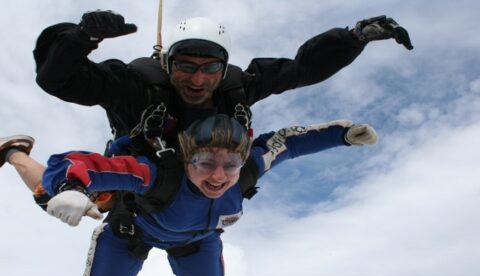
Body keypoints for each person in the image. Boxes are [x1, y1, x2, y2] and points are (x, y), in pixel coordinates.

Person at [0, 115, 378, 276]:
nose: (217, 176)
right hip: (131, 230)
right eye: (203, 162)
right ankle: (13, 152)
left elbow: (288, 143)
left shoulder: (249, 169)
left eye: (229, 164)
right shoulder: (155, 174)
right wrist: (70, 187)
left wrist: (343, 133)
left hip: (195, 241)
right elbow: (79, 162)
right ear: (185, 159)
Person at [34, 10, 412, 156]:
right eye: (185, 66)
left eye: (210, 68)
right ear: (167, 64)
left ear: (224, 67)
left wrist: (355, 36)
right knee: (55, 198)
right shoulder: (137, 86)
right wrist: (78, 38)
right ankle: (15, 152)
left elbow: (301, 69)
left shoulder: (236, 88)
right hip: (137, 175)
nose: (198, 79)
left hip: (200, 183)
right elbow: (58, 79)